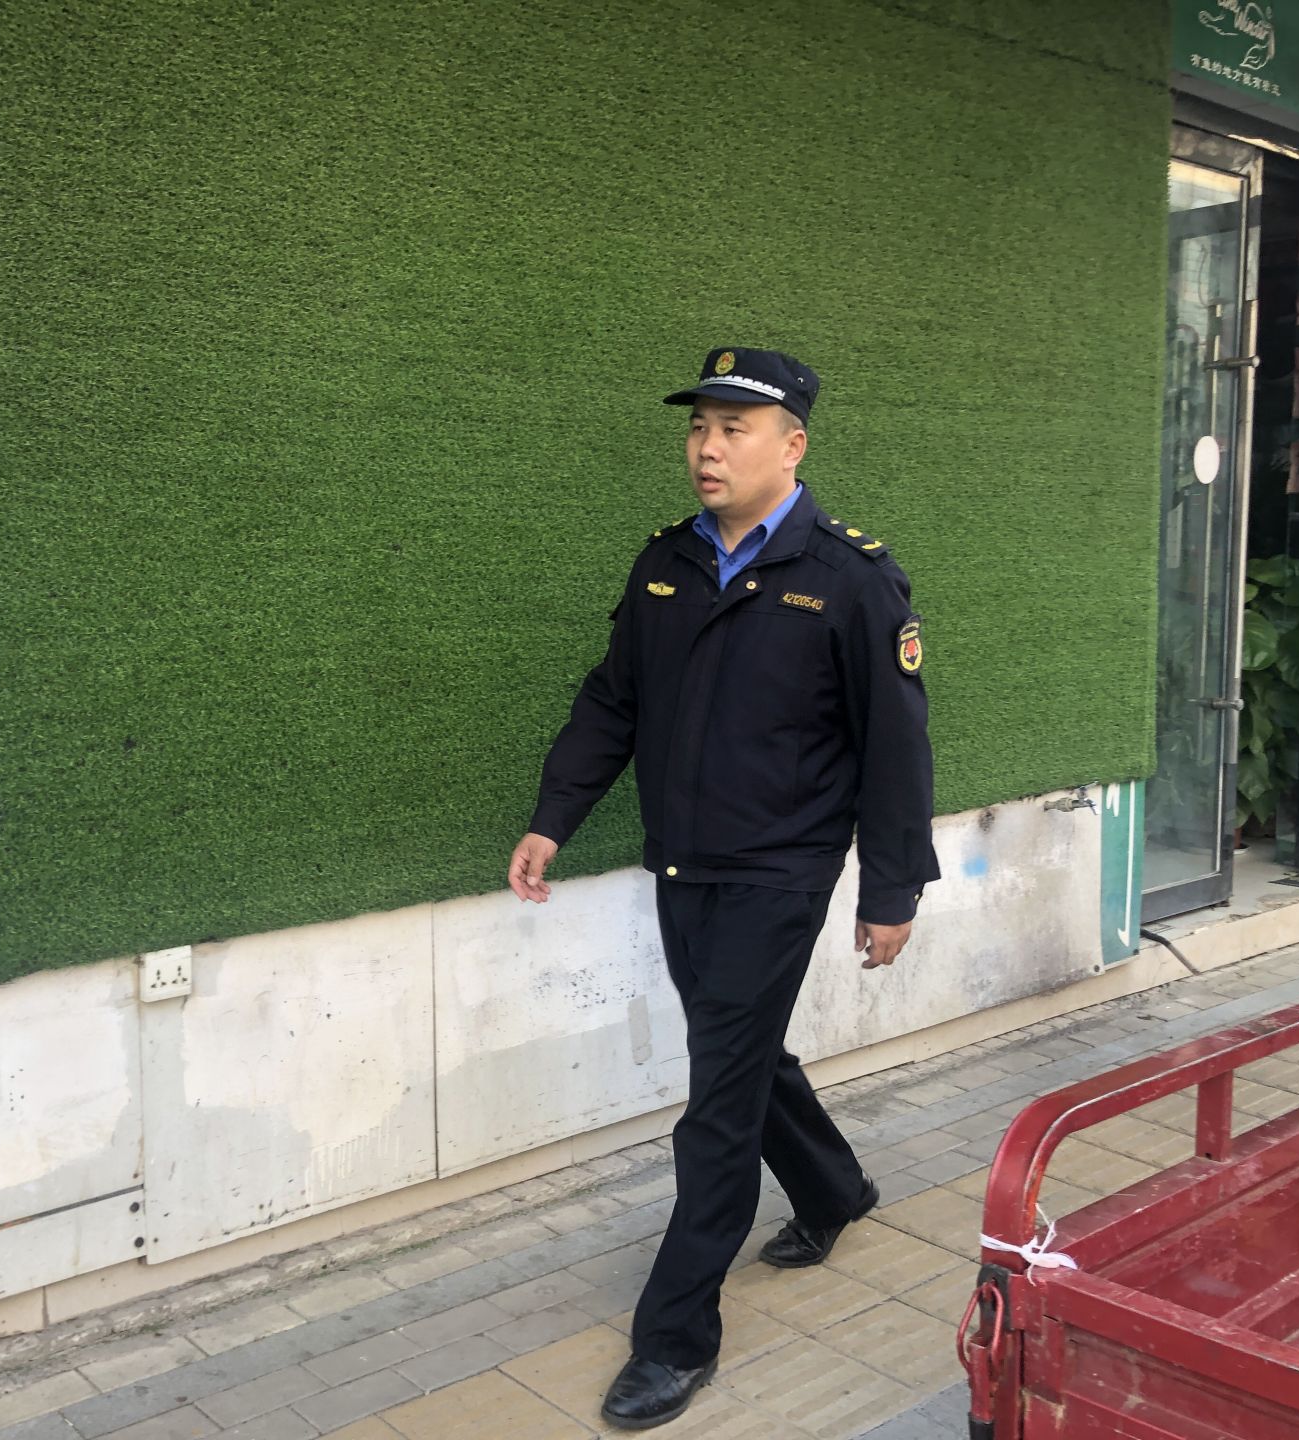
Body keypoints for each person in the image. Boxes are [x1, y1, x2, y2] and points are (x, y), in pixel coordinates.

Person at [506, 347, 940, 1430]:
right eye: (698, 426)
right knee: (741, 1054)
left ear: (792, 446)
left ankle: (675, 1336)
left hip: (780, 873)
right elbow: (613, 700)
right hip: (682, 862)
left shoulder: (851, 579)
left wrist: (891, 890)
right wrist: (553, 817)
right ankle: (833, 1188)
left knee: (716, 1103)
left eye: (732, 429)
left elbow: (896, 747)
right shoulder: (666, 562)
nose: (707, 447)